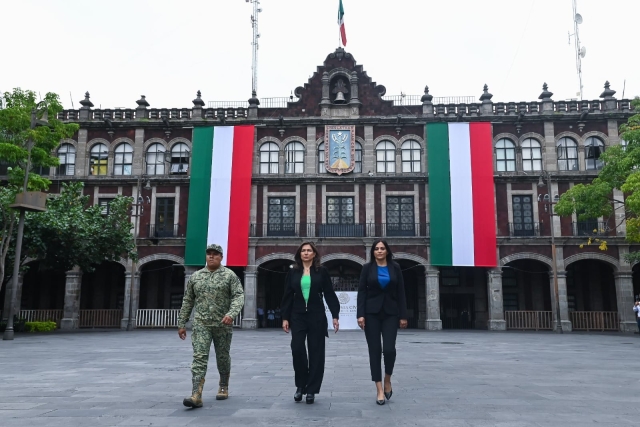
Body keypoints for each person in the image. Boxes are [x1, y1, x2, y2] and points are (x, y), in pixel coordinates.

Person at [178, 244, 245, 408]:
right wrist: (182, 323)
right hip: (201, 324)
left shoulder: (230, 276)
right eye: (209, 254)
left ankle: (223, 384)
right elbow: (188, 300)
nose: (211, 257)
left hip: (223, 324)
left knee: (222, 356)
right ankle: (196, 394)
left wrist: (231, 314)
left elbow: (238, 296)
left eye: (215, 254)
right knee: (199, 357)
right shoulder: (196, 276)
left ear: (221, 257)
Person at [281, 241, 340, 404]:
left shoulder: (321, 271)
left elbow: (329, 293)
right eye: (303, 251)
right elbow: (287, 295)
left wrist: (335, 315)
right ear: (300, 254)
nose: (306, 253)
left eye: (309, 250)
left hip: (316, 315)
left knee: (316, 352)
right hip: (298, 315)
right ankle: (300, 386)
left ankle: (311, 390)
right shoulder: (293, 272)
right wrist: (285, 317)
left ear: (314, 254)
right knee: (297, 347)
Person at [357, 239, 407, 405]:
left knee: (389, 349)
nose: (379, 251)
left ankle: (387, 379)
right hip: (371, 313)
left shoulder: (395, 268)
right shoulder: (367, 268)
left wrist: (403, 315)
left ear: (387, 251)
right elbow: (362, 292)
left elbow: (401, 292)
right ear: (373, 252)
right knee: (375, 350)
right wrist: (360, 314)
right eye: (376, 249)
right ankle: (379, 389)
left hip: (391, 313)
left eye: (382, 248)